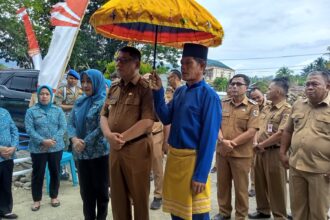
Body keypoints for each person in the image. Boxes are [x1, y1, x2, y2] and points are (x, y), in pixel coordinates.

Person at [150, 43, 222, 220]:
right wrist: (158, 91)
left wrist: (201, 174)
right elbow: (166, 117)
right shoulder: (180, 92)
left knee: (197, 214)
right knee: (177, 213)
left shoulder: (209, 96)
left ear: (202, 66)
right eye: (182, 63)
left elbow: (209, 138)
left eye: (188, 63)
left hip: (193, 163)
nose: (183, 67)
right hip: (175, 161)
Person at [100, 46, 155, 220]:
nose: (118, 64)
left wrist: (121, 138)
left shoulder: (146, 88)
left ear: (136, 64)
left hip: (137, 150)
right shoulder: (114, 87)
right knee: (117, 198)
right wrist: (109, 136)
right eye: (117, 59)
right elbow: (103, 115)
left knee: (139, 198)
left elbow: (147, 122)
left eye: (124, 60)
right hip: (115, 150)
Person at [280, 70, 330, 220]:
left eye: (314, 84)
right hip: (296, 167)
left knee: (318, 213)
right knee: (298, 211)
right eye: (307, 84)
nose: (309, 87)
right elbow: (288, 130)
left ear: (328, 86)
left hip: (321, 171)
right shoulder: (298, 105)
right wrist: (283, 153)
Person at [214, 74, 259, 220]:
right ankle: (224, 212)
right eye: (232, 84)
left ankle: (240, 215)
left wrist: (231, 143)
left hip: (241, 155)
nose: (234, 86)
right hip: (222, 153)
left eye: (238, 84)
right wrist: (222, 140)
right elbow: (215, 125)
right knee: (222, 185)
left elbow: (252, 131)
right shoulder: (223, 103)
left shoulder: (253, 106)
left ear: (246, 87)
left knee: (241, 188)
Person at [67, 69, 109, 220]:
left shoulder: (105, 102)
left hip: (100, 154)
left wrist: (84, 141)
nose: (85, 85)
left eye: (89, 81)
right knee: (86, 192)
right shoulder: (79, 101)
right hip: (81, 154)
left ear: (97, 82)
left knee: (102, 192)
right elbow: (70, 122)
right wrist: (73, 139)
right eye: (83, 81)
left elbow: (103, 127)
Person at [248, 78, 291, 219]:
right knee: (259, 182)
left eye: (269, 89)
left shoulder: (287, 109)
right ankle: (263, 210)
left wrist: (262, 145)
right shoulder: (267, 107)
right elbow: (258, 127)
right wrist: (255, 143)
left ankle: (279, 215)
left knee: (276, 186)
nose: (267, 91)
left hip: (274, 152)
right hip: (259, 151)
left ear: (278, 91)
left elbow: (282, 133)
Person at [25, 85, 67, 211]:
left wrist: (52, 140)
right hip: (38, 149)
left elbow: (63, 126)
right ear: (38, 96)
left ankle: (54, 196)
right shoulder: (31, 111)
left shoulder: (58, 110)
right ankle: (36, 200)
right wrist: (42, 141)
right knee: (38, 174)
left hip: (56, 147)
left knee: (55, 171)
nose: (44, 96)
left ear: (51, 95)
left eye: (47, 94)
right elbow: (29, 129)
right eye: (42, 94)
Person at [54, 69, 82, 179]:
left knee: (76, 143)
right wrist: (73, 107)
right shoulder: (62, 90)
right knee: (65, 143)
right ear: (67, 79)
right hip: (64, 120)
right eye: (71, 78)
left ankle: (76, 167)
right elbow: (57, 105)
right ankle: (63, 169)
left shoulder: (80, 91)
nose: (73, 80)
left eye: (75, 79)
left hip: (77, 120)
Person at [248, 87, 268, 197]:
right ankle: (253, 186)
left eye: (258, 97)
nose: (256, 99)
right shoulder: (250, 107)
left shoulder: (270, 106)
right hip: (254, 142)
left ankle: (267, 187)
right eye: (253, 98)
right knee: (253, 165)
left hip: (268, 142)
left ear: (263, 95)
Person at [0, 108, 19, 219]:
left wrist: (13, 147)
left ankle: (5, 209)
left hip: (8, 156)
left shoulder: (4, 112)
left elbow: (14, 130)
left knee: (6, 184)